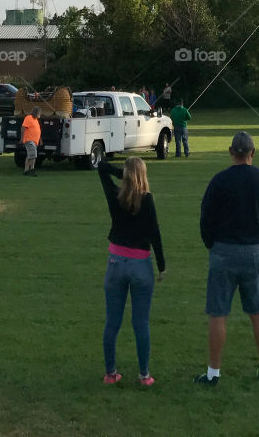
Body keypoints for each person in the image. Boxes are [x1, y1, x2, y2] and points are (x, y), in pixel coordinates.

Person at [195, 131, 259, 386]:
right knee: (258, 312)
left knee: (218, 313)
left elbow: (206, 217)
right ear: (253, 152)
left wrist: (211, 243)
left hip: (223, 250)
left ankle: (213, 373)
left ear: (231, 151)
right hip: (254, 250)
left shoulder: (219, 181)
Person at [98, 156, 165, 386]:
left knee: (112, 322)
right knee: (141, 323)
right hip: (140, 264)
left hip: (116, 261)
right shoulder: (147, 200)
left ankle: (110, 373)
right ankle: (144, 374)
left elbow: (102, 168)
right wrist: (162, 265)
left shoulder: (115, 196)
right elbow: (155, 233)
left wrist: (122, 175)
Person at [21, 106, 42, 174]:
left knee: (29, 155)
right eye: (39, 113)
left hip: (35, 141)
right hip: (29, 140)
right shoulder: (29, 118)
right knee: (33, 154)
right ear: (36, 112)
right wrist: (22, 138)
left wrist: (40, 140)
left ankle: (26, 170)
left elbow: (38, 131)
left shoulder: (36, 120)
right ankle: (32, 169)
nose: (40, 114)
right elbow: (23, 128)